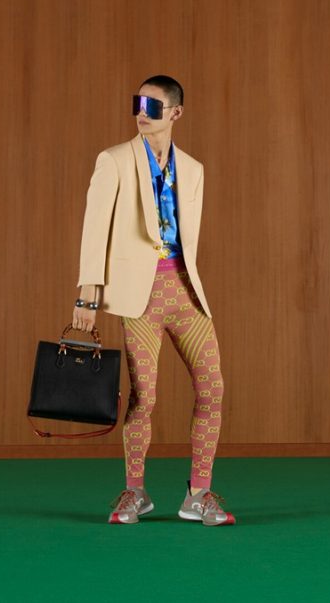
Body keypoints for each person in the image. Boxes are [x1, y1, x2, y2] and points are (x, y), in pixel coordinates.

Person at [72, 75, 235, 526]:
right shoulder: (114, 160)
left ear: (176, 113)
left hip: (185, 292)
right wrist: (87, 297)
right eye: (137, 103)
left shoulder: (193, 169)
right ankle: (135, 492)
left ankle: (198, 494)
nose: (142, 113)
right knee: (144, 397)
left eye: (153, 106)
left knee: (213, 389)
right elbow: (94, 230)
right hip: (138, 299)